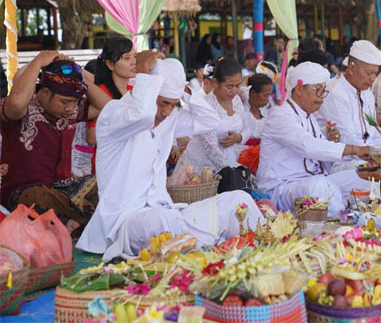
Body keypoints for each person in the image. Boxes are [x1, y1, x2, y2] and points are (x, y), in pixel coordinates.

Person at [77, 54, 262, 261]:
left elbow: (210, 121)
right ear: (148, 91)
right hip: (124, 223)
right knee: (164, 221)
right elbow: (142, 115)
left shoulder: (168, 118)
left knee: (238, 200)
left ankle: (266, 246)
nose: (165, 112)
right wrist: (144, 75)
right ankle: (209, 248)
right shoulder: (116, 114)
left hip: (166, 210)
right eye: (163, 102)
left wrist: (186, 95)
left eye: (172, 105)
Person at [0, 52, 111, 232]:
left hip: (62, 190)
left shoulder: (72, 111)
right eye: (65, 102)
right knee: (37, 196)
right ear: (44, 92)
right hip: (21, 194)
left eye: (75, 102)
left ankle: (73, 221)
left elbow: (107, 106)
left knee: (105, 181)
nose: (70, 108)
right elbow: (17, 102)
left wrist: (78, 74)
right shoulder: (21, 110)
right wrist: (38, 62)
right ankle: (80, 221)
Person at [257, 62, 375, 218]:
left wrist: (330, 142)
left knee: (365, 178)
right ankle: (344, 221)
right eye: (318, 91)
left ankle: (366, 215)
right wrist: (354, 149)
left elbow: (321, 162)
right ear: (299, 89)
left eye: (323, 91)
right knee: (319, 187)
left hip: (313, 182)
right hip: (282, 188)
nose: (322, 97)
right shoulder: (281, 115)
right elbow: (307, 146)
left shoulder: (308, 116)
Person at [317, 40, 381, 172]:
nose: (372, 79)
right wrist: (375, 156)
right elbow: (346, 136)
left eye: (375, 73)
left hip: (367, 160)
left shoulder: (367, 94)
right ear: (352, 68)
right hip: (341, 164)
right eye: (368, 73)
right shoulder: (335, 92)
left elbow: (374, 132)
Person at [173, 58, 248, 173]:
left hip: (230, 160)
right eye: (229, 87)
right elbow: (211, 148)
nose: (234, 91)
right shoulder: (206, 105)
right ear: (216, 83)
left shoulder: (236, 100)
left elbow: (247, 127)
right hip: (203, 167)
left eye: (238, 86)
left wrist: (240, 137)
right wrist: (231, 172)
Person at [86, 37, 137, 173]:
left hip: (131, 166)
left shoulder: (135, 91)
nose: (134, 62)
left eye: (135, 57)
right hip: (109, 168)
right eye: (127, 58)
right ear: (110, 64)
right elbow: (92, 137)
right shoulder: (102, 93)